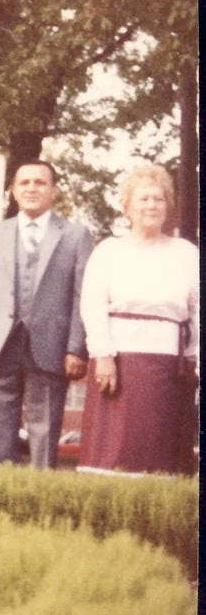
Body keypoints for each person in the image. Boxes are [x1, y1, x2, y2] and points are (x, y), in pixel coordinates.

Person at [0, 160, 93, 468]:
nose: (31, 188)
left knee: (45, 426)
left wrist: (76, 347)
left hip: (51, 345)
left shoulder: (75, 235)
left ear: (54, 190)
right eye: (24, 183)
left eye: (39, 182)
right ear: (13, 191)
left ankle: (41, 492)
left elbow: (82, 296)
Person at [77, 164, 198, 475]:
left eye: (158, 199)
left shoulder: (185, 253)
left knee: (159, 451)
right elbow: (92, 304)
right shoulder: (109, 251)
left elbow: (198, 310)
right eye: (143, 199)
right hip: (118, 363)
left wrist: (194, 359)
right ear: (128, 206)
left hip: (169, 366)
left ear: (168, 206)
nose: (151, 206)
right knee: (113, 451)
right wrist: (103, 356)